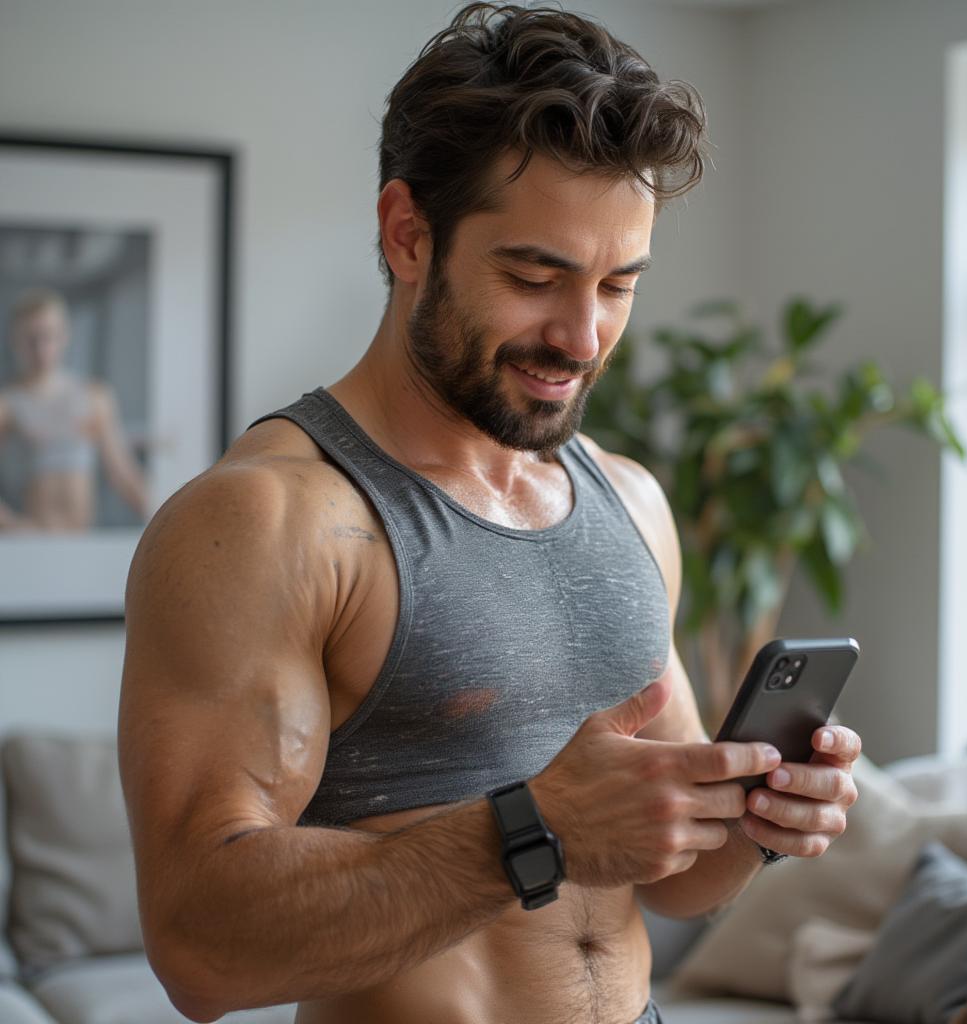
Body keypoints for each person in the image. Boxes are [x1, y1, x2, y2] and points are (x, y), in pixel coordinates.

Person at [118, 5, 862, 1023]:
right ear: (407, 232)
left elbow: (679, 878)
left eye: (617, 285)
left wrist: (757, 816)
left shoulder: (630, 500)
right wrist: (535, 831)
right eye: (534, 275)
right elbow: (200, 947)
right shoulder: (268, 521)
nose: (581, 335)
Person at [0, 288, 150, 532]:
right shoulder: (7, 403)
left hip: (82, 537)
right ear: (16, 340)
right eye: (31, 338)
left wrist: (163, 517)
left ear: (64, 335)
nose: (41, 348)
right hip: (32, 539)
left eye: (49, 335)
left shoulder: (95, 396)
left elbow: (122, 472)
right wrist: (12, 525)